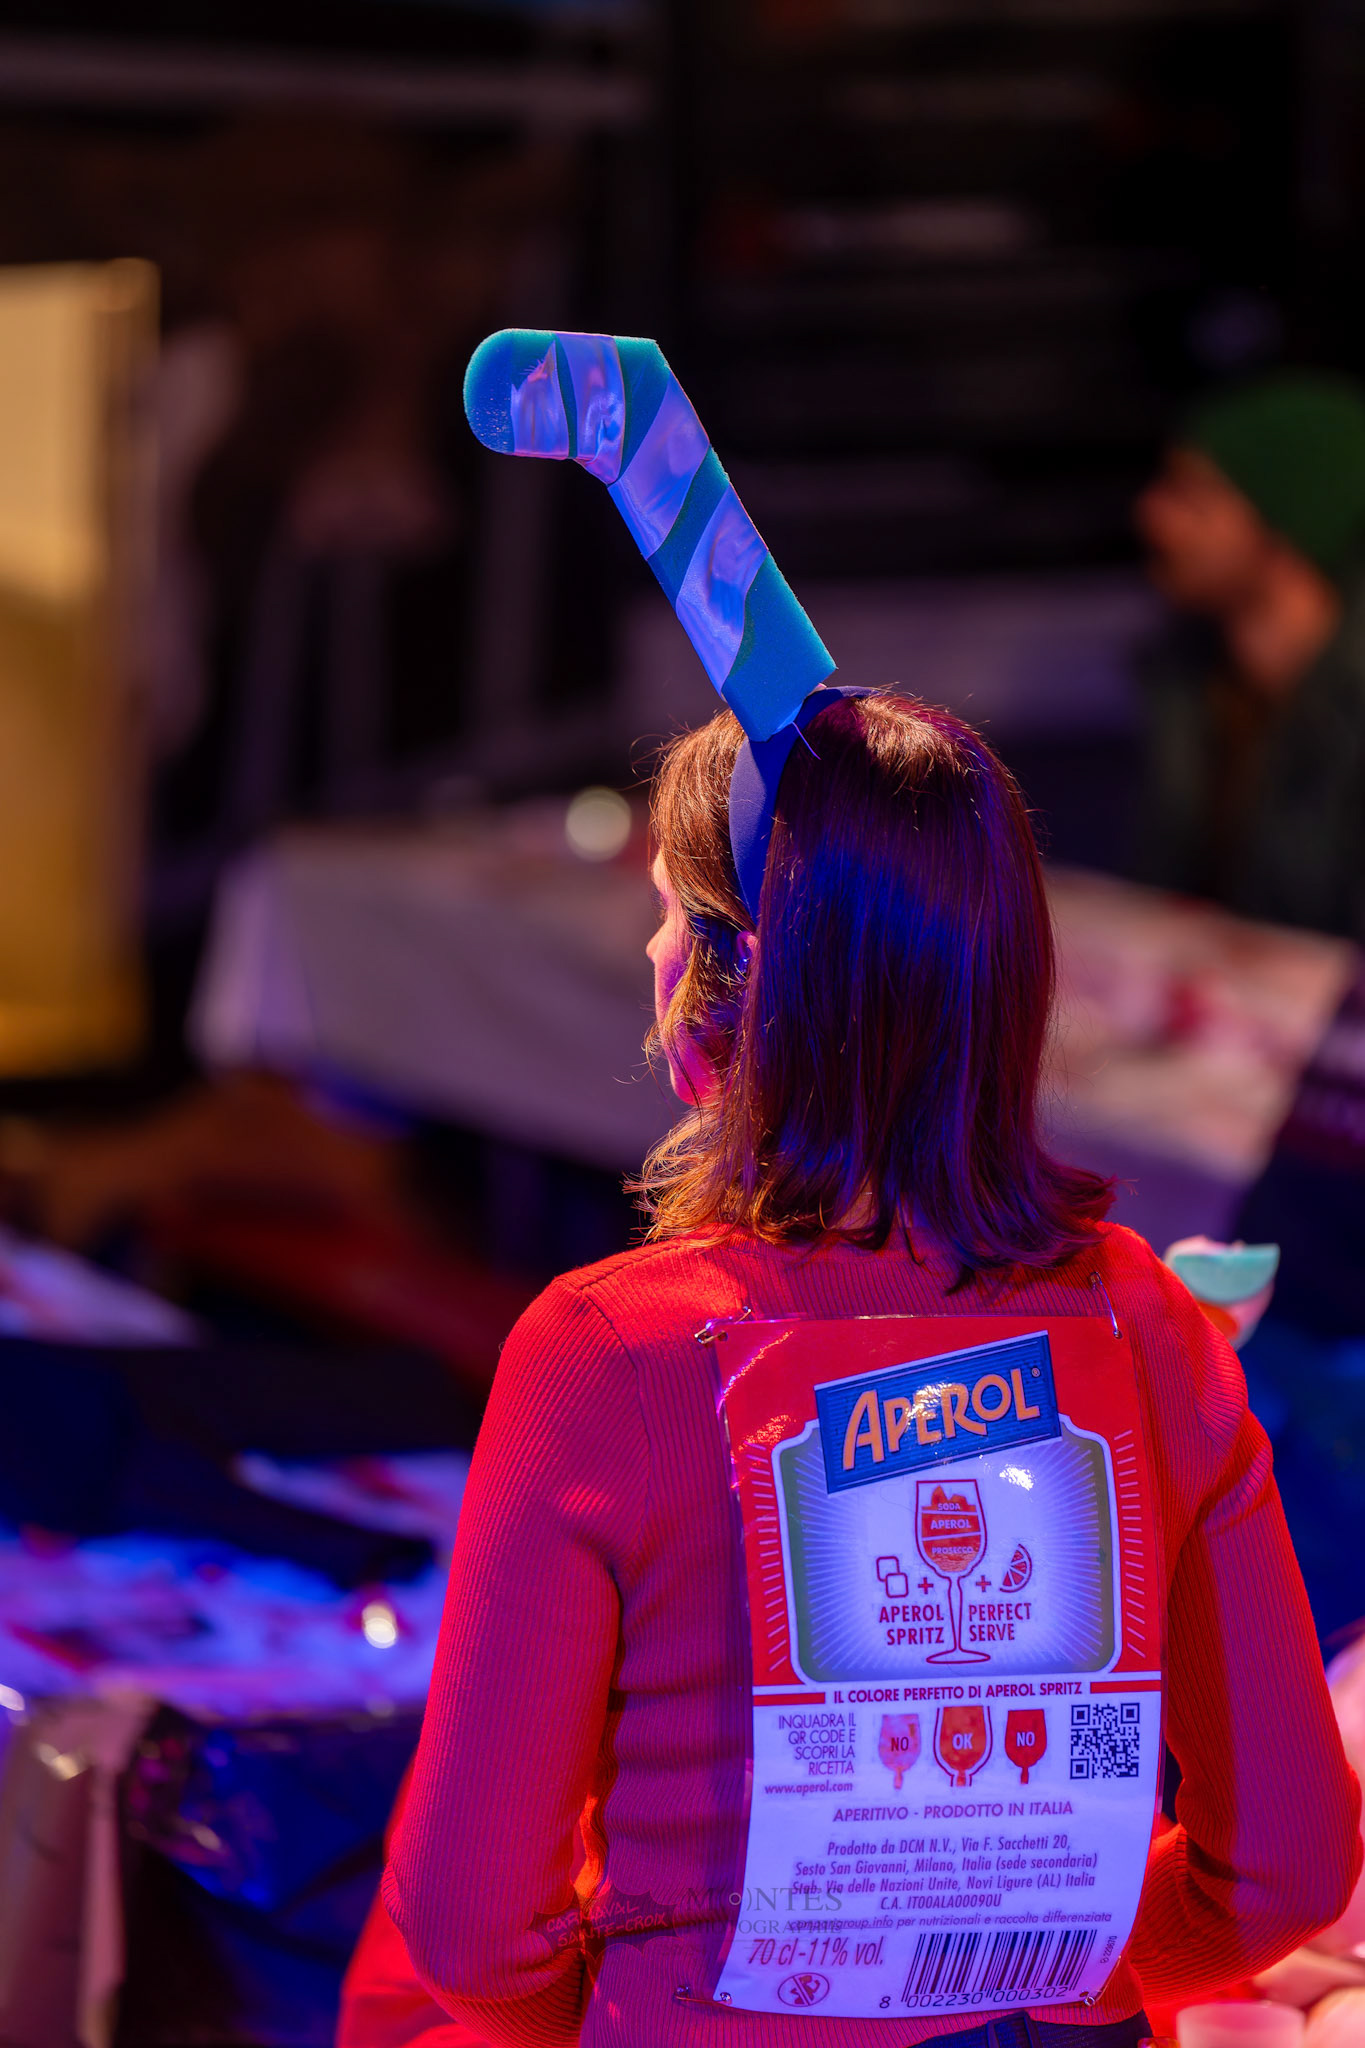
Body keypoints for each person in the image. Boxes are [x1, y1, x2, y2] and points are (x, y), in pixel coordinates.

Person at [382, 691, 1360, 2045]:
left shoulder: (603, 1353)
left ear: (733, 977)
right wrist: (1057, 1971)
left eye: (667, 912)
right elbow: (1288, 1866)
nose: (651, 949)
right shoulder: (1144, 1324)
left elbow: (467, 1923)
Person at [1133, 370, 1365, 937]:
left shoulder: (1353, 701)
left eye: (1192, 497)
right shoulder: (1190, 679)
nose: (1152, 514)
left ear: (1285, 519)